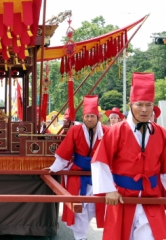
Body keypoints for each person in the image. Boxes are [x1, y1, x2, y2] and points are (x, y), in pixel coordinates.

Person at [91, 72, 166, 240]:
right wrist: (108, 190)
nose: (144, 109)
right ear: (131, 105)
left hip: (150, 197)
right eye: (139, 104)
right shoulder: (117, 131)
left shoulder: (161, 133)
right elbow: (100, 161)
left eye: (149, 104)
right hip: (122, 197)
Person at [46, 95, 108, 240]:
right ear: (83, 116)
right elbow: (65, 152)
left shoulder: (106, 132)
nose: (89, 119)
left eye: (92, 116)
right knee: (79, 207)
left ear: (98, 117)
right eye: (87, 116)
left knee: (95, 207)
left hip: (99, 174)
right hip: (78, 173)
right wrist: (53, 168)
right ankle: (80, 237)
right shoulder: (75, 131)